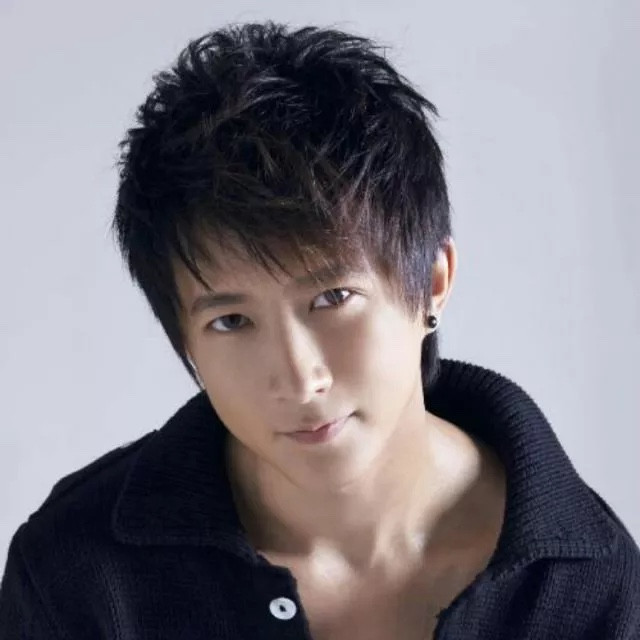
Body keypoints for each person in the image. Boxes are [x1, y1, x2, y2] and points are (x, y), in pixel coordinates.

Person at [1, 21, 638, 640]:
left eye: (333, 298)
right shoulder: (74, 572)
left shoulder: (597, 589)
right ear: (185, 339)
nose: (299, 379)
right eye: (231, 321)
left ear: (433, 281)